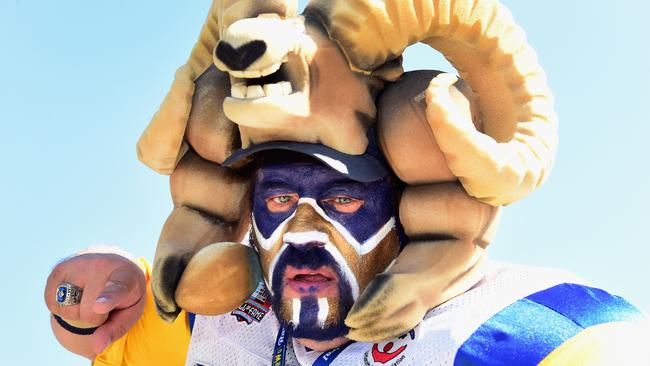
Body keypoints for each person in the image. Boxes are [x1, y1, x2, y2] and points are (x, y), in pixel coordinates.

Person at [45, 140, 649, 365]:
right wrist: (92, 288)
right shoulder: (223, 319)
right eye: (279, 201)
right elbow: (95, 330)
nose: (305, 234)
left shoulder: (517, 331)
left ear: (412, 214)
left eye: (345, 200)